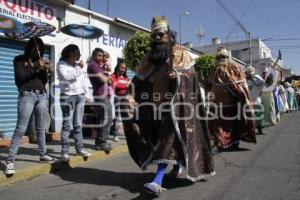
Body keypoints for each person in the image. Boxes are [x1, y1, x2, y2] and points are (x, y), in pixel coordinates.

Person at [120, 16, 215, 195]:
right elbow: (137, 80)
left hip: (175, 108)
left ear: (169, 35)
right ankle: (176, 167)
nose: (157, 38)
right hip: (151, 109)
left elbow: (192, 78)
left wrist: (179, 77)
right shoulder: (148, 58)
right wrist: (128, 96)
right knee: (156, 140)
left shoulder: (181, 54)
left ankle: (157, 180)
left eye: (161, 34)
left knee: (166, 140)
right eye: (154, 35)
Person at [5, 37, 53, 175]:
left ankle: (43, 154)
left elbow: (42, 81)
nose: (38, 50)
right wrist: (35, 67)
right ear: (29, 47)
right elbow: (20, 78)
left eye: (41, 48)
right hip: (27, 95)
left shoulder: (41, 61)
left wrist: (45, 70)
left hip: (42, 95)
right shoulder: (19, 60)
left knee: (40, 128)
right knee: (20, 128)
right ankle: (10, 160)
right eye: (35, 47)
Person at [206, 47, 256, 151]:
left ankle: (234, 143)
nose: (222, 59)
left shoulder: (234, 68)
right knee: (217, 126)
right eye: (219, 57)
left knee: (233, 125)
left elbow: (240, 86)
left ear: (228, 58)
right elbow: (208, 85)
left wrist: (243, 98)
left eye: (224, 57)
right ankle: (219, 143)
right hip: (217, 104)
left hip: (232, 103)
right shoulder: (213, 70)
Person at [57, 44, 91, 162]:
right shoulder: (61, 64)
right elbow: (67, 77)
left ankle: (79, 148)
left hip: (79, 96)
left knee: (78, 124)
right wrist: (79, 68)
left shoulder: (77, 65)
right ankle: (65, 152)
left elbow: (83, 81)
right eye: (77, 53)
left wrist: (86, 94)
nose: (79, 55)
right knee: (67, 125)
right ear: (71, 53)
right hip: (67, 97)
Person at [87, 48, 113, 152]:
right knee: (107, 118)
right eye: (99, 55)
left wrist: (105, 73)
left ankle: (99, 142)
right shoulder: (92, 65)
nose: (101, 58)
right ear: (93, 56)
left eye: (102, 56)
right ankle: (103, 142)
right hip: (100, 96)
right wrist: (106, 76)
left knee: (102, 119)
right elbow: (103, 79)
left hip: (103, 95)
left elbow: (108, 81)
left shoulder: (99, 66)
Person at [110, 60, 130, 141]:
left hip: (125, 98)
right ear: (118, 67)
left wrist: (126, 85)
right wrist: (126, 85)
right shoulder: (113, 75)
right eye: (121, 67)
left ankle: (127, 134)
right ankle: (115, 135)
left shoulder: (126, 77)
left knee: (126, 117)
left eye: (124, 68)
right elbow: (115, 85)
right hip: (117, 98)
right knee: (118, 117)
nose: (123, 69)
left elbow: (129, 86)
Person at [245, 65, 265, 134]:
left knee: (258, 115)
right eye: (247, 72)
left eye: (250, 71)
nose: (248, 73)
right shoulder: (245, 80)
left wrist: (253, 78)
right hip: (248, 101)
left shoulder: (256, 77)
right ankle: (250, 129)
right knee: (249, 116)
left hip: (256, 100)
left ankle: (259, 128)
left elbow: (263, 82)